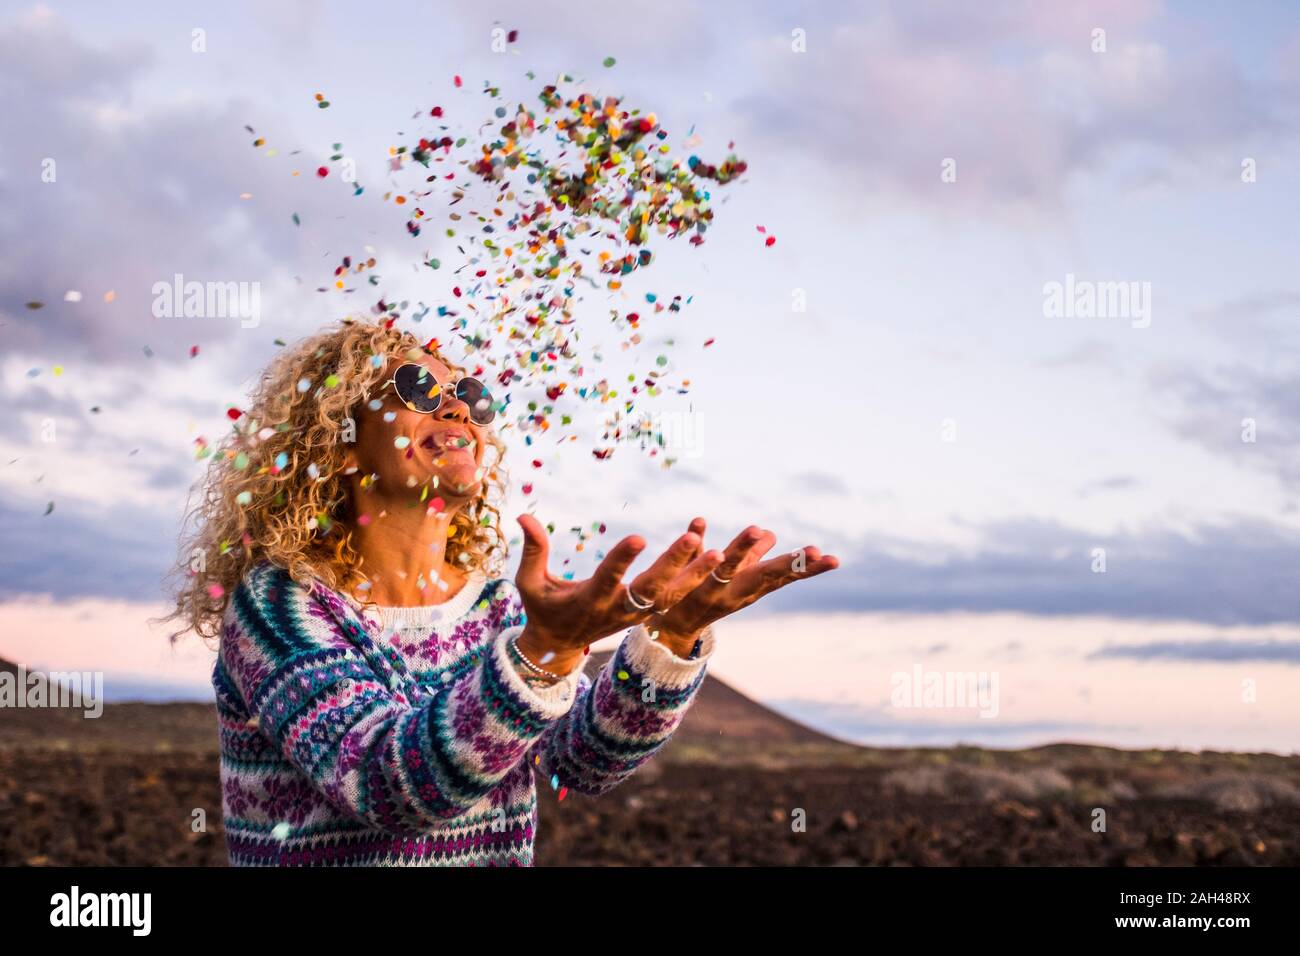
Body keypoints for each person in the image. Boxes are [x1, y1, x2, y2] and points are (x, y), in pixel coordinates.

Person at [170, 318, 838, 865]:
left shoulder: (496, 607)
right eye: (415, 389)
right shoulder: (281, 607)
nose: (459, 405)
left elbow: (581, 763)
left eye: (470, 395)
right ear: (339, 443)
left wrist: (670, 637)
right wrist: (544, 650)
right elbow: (385, 787)